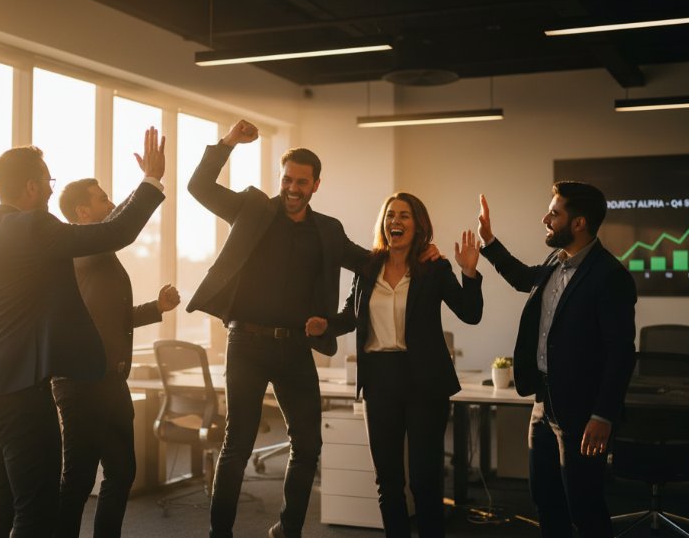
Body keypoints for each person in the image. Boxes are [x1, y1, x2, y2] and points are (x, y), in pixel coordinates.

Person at [0, 128, 166, 538]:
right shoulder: (33, 227)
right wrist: (151, 181)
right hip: (21, 394)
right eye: (49, 182)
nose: (52, 192)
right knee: (37, 511)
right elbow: (112, 233)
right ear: (32, 187)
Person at [186, 119, 378, 538]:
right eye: (288, 179)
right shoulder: (254, 208)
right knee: (237, 445)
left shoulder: (327, 230)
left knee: (308, 445)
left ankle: (288, 530)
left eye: (302, 182)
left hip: (295, 348)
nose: (293, 188)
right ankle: (221, 533)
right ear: (281, 178)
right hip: (245, 343)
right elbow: (199, 187)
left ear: (316, 185)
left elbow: (369, 265)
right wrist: (228, 142)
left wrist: (339, 318)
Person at [476, 184, 636, 538]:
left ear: (578, 222)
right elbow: (522, 278)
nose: (545, 219)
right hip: (543, 403)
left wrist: (603, 414)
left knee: (584, 507)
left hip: (582, 412)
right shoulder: (556, 261)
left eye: (554, 213)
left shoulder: (610, 277)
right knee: (546, 501)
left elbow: (622, 354)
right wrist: (488, 240)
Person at [332, 192, 483, 538]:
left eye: (404, 216)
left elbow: (470, 314)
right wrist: (321, 325)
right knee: (387, 479)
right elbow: (349, 316)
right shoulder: (367, 267)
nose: (395, 222)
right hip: (379, 379)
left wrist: (470, 272)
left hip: (424, 381)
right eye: (390, 215)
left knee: (424, 480)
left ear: (418, 226)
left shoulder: (434, 267)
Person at [51, 178, 182, 538]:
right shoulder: (82, 248)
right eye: (102, 199)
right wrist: (149, 182)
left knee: (122, 472)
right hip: (82, 384)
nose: (110, 204)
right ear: (82, 212)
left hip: (110, 381)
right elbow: (119, 227)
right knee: (78, 479)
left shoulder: (100, 254)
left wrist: (157, 307)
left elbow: (113, 317)